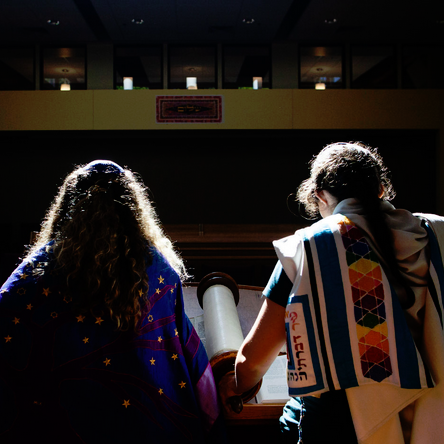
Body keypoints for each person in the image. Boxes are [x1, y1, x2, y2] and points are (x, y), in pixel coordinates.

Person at [220, 142, 444, 443]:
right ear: (381, 189)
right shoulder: (439, 233)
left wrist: (233, 387)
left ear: (320, 195)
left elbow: (252, 362)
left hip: (342, 427)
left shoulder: (310, 247)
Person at [0, 160, 224, 443]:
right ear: (134, 211)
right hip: (143, 427)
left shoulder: (35, 273)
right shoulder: (157, 273)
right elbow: (184, 355)